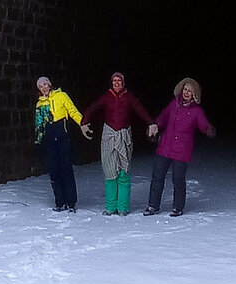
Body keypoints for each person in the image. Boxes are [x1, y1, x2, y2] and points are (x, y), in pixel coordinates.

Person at [81, 72, 157, 215]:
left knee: (124, 171)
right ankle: (110, 207)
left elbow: (140, 110)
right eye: (114, 81)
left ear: (123, 83)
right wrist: (84, 122)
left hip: (124, 136)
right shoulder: (106, 97)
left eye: (119, 81)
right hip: (109, 135)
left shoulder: (129, 97)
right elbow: (92, 108)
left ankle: (122, 207)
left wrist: (151, 123)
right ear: (111, 83)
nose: (116, 83)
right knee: (110, 171)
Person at [145, 77, 216, 218]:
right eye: (185, 89)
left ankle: (178, 207)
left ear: (194, 94)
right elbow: (163, 117)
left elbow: (203, 124)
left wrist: (208, 129)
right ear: (181, 89)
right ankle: (153, 205)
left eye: (190, 90)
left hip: (182, 149)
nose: (186, 92)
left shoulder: (197, 110)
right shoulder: (173, 104)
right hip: (165, 145)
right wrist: (155, 126)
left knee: (178, 179)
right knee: (157, 176)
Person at [34, 76, 92, 211]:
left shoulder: (62, 96)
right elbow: (39, 125)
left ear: (49, 84)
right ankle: (59, 201)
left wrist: (82, 124)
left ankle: (71, 202)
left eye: (45, 84)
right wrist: (37, 141)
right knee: (54, 170)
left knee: (66, 169)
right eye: (40, 87)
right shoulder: (40, 104)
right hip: (49, 139)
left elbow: (72, 111)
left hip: (62, 136)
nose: (44, 88)